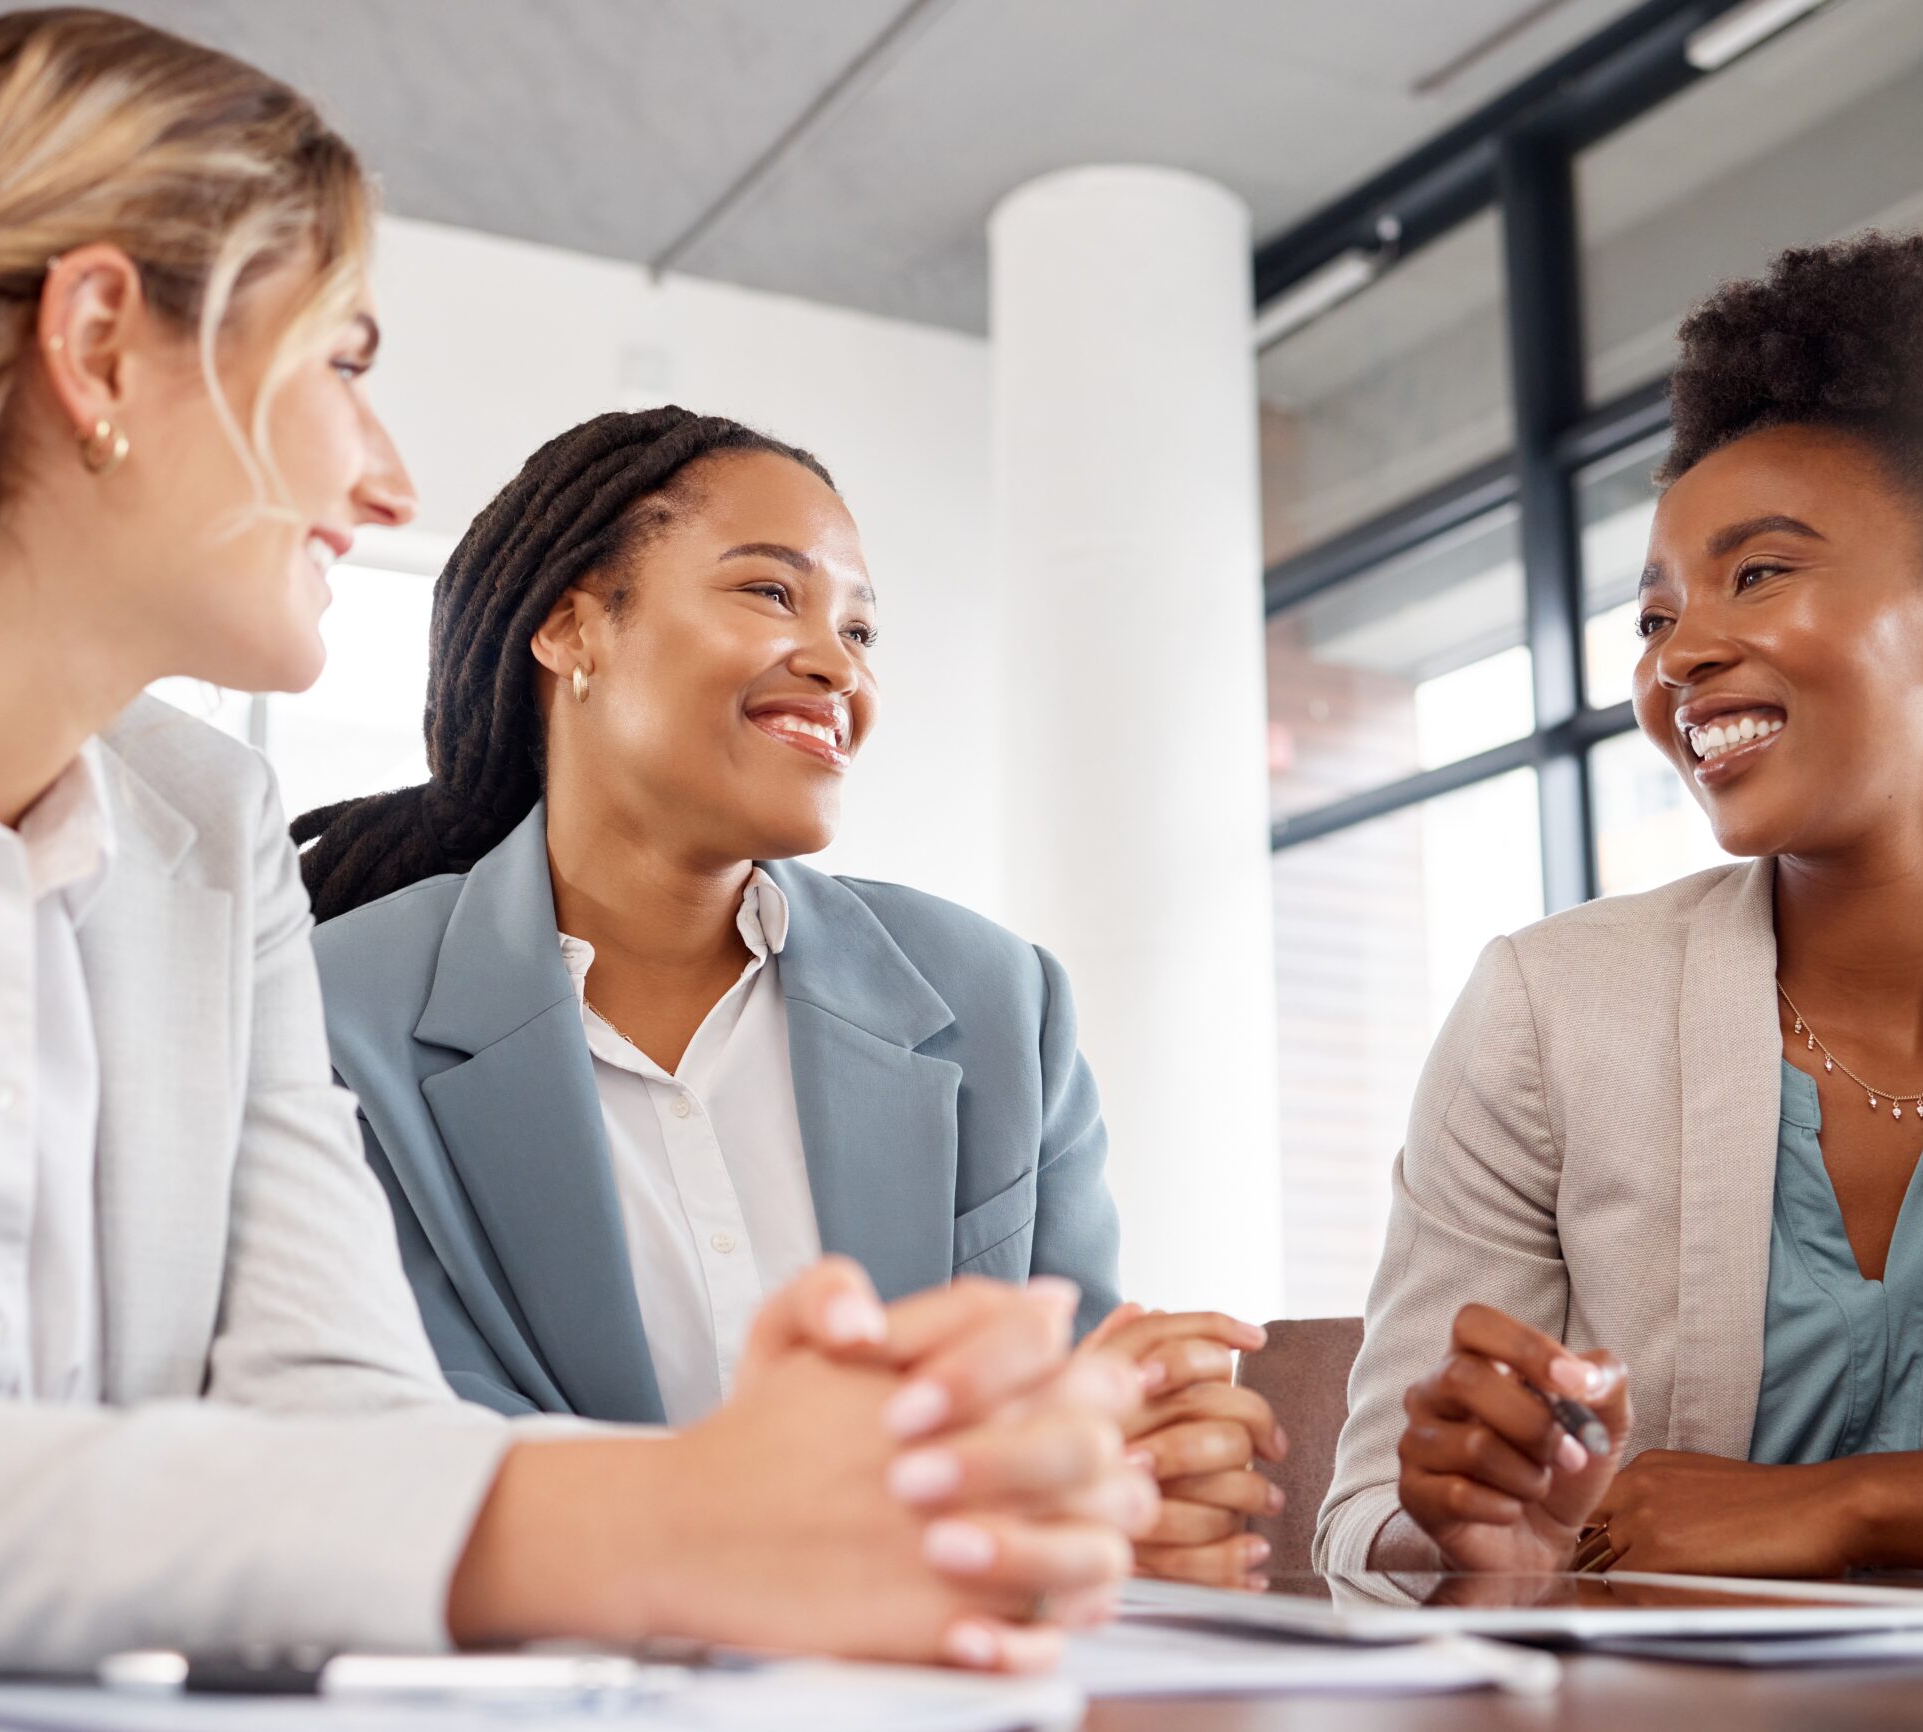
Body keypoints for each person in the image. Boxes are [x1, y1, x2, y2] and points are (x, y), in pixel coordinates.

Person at [0, 7, 1154, 1675]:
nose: (385, 479)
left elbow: (342, 1407)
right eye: (345, 364)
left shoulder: (209, 839)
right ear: (96, 348)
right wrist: (684, 1524)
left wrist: (855, 1494)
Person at [1315, 228, 1923, 1581]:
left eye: (1761, 572)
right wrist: (1468, 1523)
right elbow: (1368, 1519)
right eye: (1655, 618)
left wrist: (1853, 1504)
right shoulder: (1549, 1008)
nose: (1684, 654)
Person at [296, 406, 1288, 1589]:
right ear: (570, 627)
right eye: (773, 594)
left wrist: (1136, 1477)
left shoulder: (996, 1007)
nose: (839, 663)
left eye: (860, 626)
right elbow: (396, 1451)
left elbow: (1064, 1422)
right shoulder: (331, 1015)